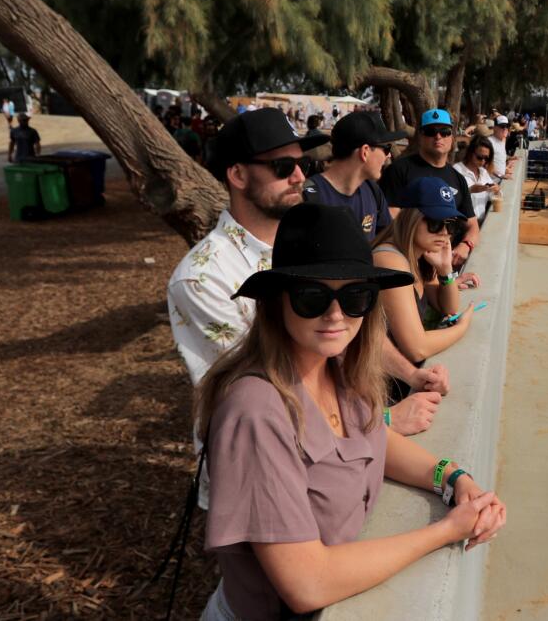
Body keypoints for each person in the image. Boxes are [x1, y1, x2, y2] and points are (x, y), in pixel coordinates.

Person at [196, 203, 506, 619]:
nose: (336, 314)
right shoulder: (257, 411)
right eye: (312, 297)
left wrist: (452, 478)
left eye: (355, 295)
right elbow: (307, 584)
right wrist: (446, 530)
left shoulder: (336, 365)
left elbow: (374, 440)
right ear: (276, 301)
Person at [168, 108, 446, 468]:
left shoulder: (306, 238)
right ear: (237, 174)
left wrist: (411, 374)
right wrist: (385, 420)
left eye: (302, 164)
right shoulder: (204, 278)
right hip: (265, 466)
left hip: (339, 443)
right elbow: (269, 384)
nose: (300, 177)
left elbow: (345, 321)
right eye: (283, 167)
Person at [373, 178, 478, 375]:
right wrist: (462, 327)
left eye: (450, 224)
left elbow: (448, 307)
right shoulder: (389, 260)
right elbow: (416, 348)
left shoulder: (419, 254)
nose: (445, 233)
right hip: (375, 383)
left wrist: (445, 270)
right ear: (411, 219)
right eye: (435, 223)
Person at [381, 109, 480, 270]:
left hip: (445, 265)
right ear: (420, 136)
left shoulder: (458, 178)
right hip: (409, 262)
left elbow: (472, 224)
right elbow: (392, 216)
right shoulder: (399, 169)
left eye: (444, 132)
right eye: (430, 131)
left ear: (452, 137)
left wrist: (465, 245)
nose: (438, 136)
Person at [302, 111, 397, 241]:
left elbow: (387, 241)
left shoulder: (373, 191)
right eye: (386, 148)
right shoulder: (307, 196)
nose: (389, 155)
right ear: (365, 152)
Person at [453, 136, 500, 220]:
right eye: (479, 157)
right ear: (470, 153)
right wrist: (470, 190)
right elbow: (451, 197)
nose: (483, 161)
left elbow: (491, 196)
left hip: (481, 222)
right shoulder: (457, 170)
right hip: (463, 225)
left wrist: (496, 190)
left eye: (486, 158)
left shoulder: (483, 172)